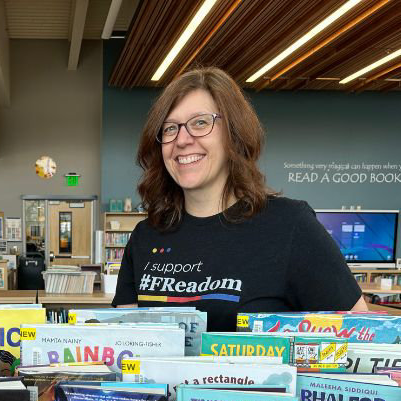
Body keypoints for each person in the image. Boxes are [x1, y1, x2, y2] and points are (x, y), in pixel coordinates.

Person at [112, 67, 366, 332]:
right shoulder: (146, 236)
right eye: (170, 128)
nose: (182, 140)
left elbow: (361, 335)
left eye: (200, 122)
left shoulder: (290, 226)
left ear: (233, 133)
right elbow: (128, 343)